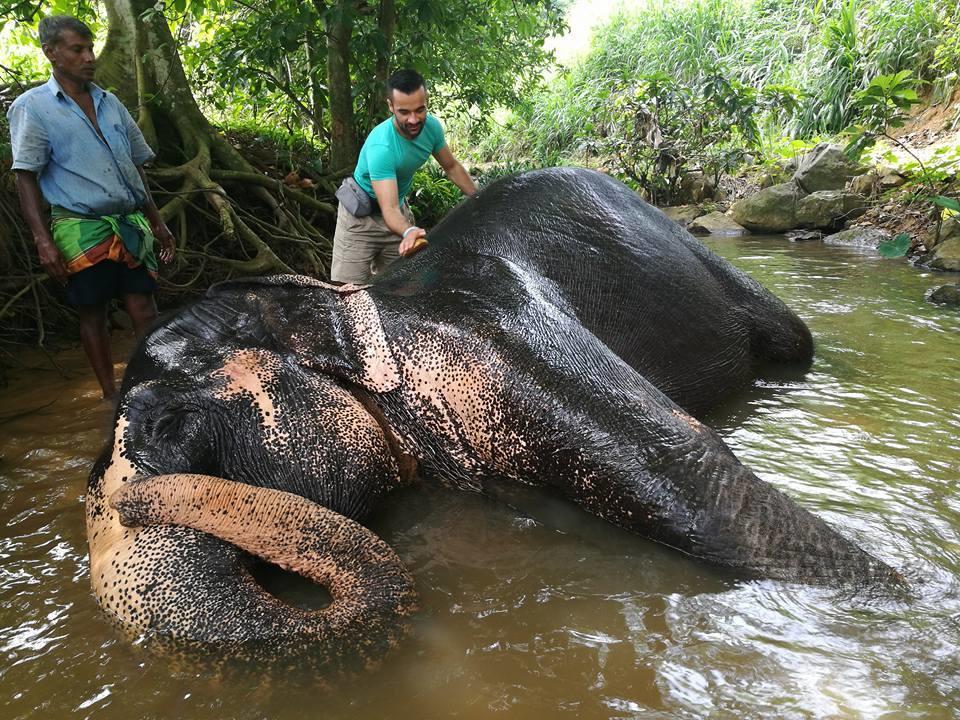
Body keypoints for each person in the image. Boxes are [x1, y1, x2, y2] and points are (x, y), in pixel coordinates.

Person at [8, 15, 175, 400]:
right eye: (77, 49)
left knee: (144, 307)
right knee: (93, 313)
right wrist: (42, 240)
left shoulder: (110, 101)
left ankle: (154, 389)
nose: (89, 57)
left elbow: (135, 169)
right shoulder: (32, 107)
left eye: (90, 48)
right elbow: (25, 177)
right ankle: (110, 395)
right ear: (51, 53)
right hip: (80, 228)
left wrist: (158, 222)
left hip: (130, 223)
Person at [331, 68, 477, 284]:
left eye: (420, 110)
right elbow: (387, 209)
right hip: (361, 221)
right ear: (390, 106)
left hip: (397, 214)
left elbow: (452, 166)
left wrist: (480, 198)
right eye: (404, 112)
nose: (413, 119)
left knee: (403, 289)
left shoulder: (432, 129)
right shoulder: (382, 146)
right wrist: (409, 231)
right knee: (346, 293)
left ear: (426, 102)